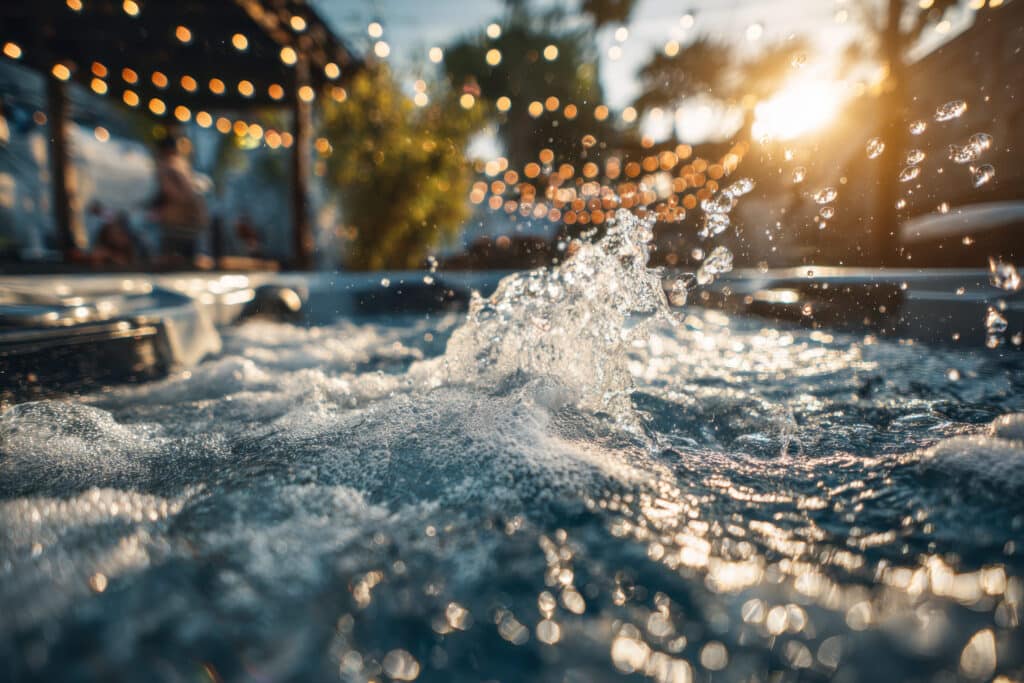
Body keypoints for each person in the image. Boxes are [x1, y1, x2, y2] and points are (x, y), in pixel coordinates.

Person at [148, 135, 208, 266]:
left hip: (177, 223)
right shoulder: (183, 165)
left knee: (173, 266)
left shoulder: (168, 167)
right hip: (190, 222)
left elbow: (175, 194)